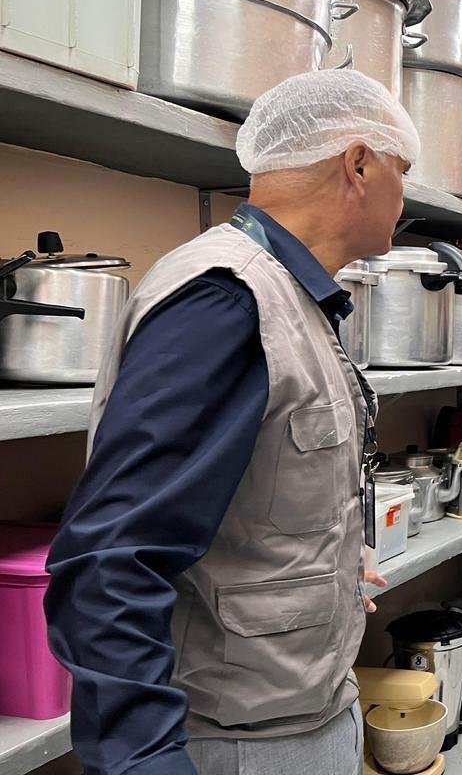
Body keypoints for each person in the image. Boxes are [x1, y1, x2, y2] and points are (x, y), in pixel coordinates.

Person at [43, 70, 421, 775]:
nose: (407, 193)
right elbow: (112, 558)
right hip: (239, 742)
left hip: (295, 713)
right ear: (359, 163)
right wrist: (145, 759)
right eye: (403, 170)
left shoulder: (294, 298)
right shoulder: (227, 302)